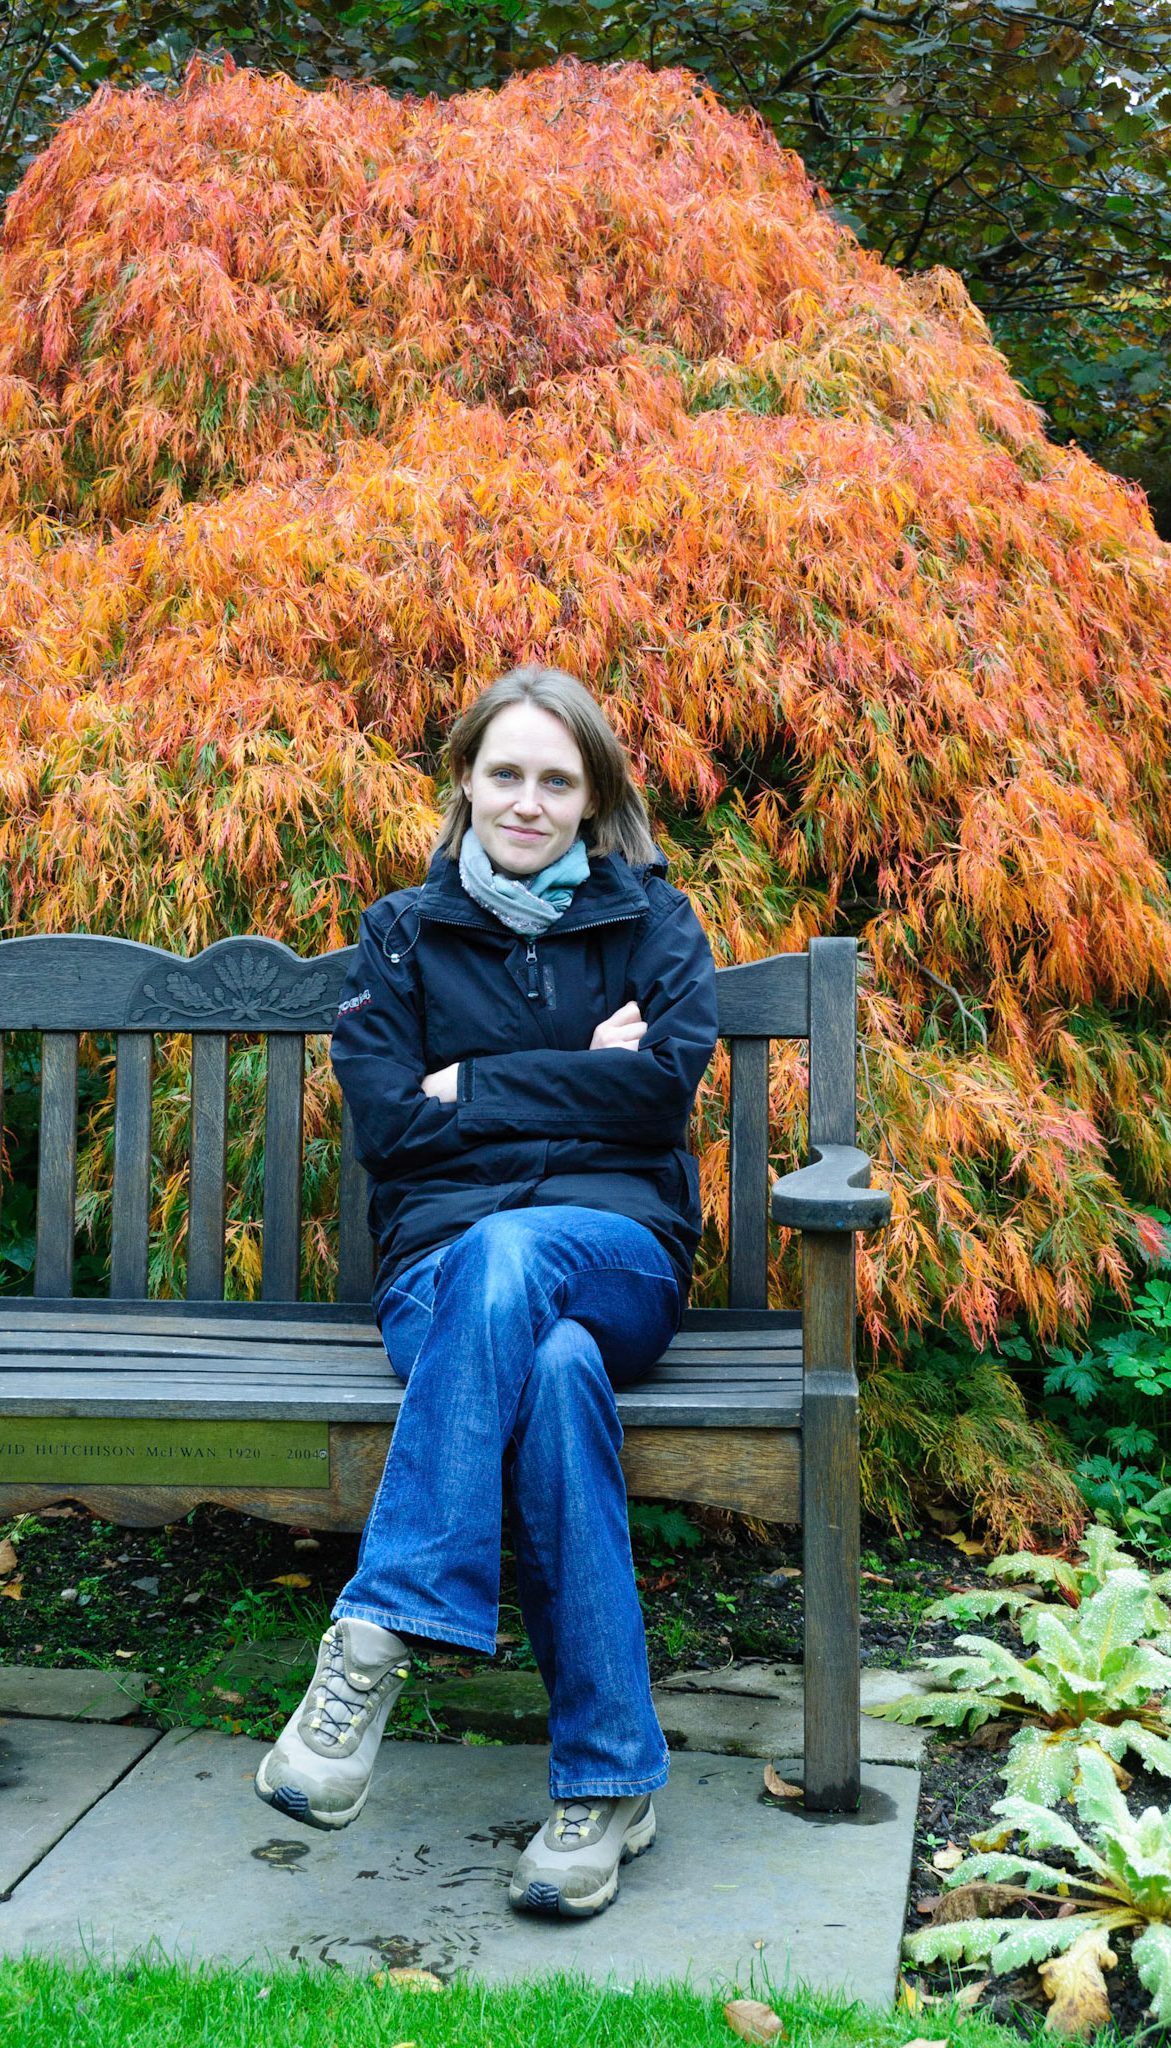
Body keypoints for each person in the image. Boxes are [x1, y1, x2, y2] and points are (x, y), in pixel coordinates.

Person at [255, 664, 718, 1918]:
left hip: (617, 1252)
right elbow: (392, 1126)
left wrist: (477, 1083)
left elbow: (661, 1091)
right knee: (554, 1372)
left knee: (529, 1269)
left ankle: (383, 1624)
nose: (527, 800)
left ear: (593, 797)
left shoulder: (652, 926)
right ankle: (609, 1784)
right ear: (466, 780)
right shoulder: (400, 932)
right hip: (440, 1274)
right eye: (504, 772)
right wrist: (574, 1067)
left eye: (555, 779)